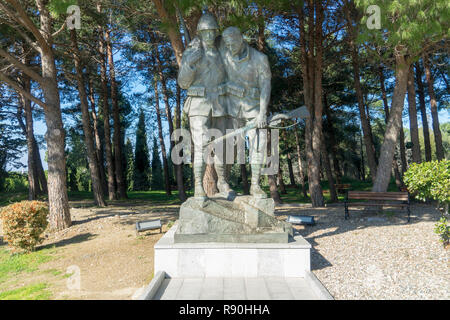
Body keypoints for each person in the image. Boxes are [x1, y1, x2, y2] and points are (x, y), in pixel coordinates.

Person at [177, 13, 233, 199]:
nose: (209, 36)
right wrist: (189, 64)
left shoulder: (222, 53)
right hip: (198, 104)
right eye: (205, 32)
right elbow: (183, 83)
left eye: (212, 32)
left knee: (222, 145)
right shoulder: (191, 53)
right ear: (199, 33)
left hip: (219, 104)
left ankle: (223, 182)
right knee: (201, 147)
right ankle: (198, 187)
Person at [219, 26, 271, 198]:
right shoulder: (223, 57)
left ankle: (255, 185)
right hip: (230, 110)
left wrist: (263, 113)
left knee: (259, 144)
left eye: (233, 43)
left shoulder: (259, 59)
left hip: (254, 109)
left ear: (241, 39)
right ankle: (222, 181)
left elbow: (265, 86)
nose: (230, 47)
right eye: (227, 44)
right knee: (228, 149)